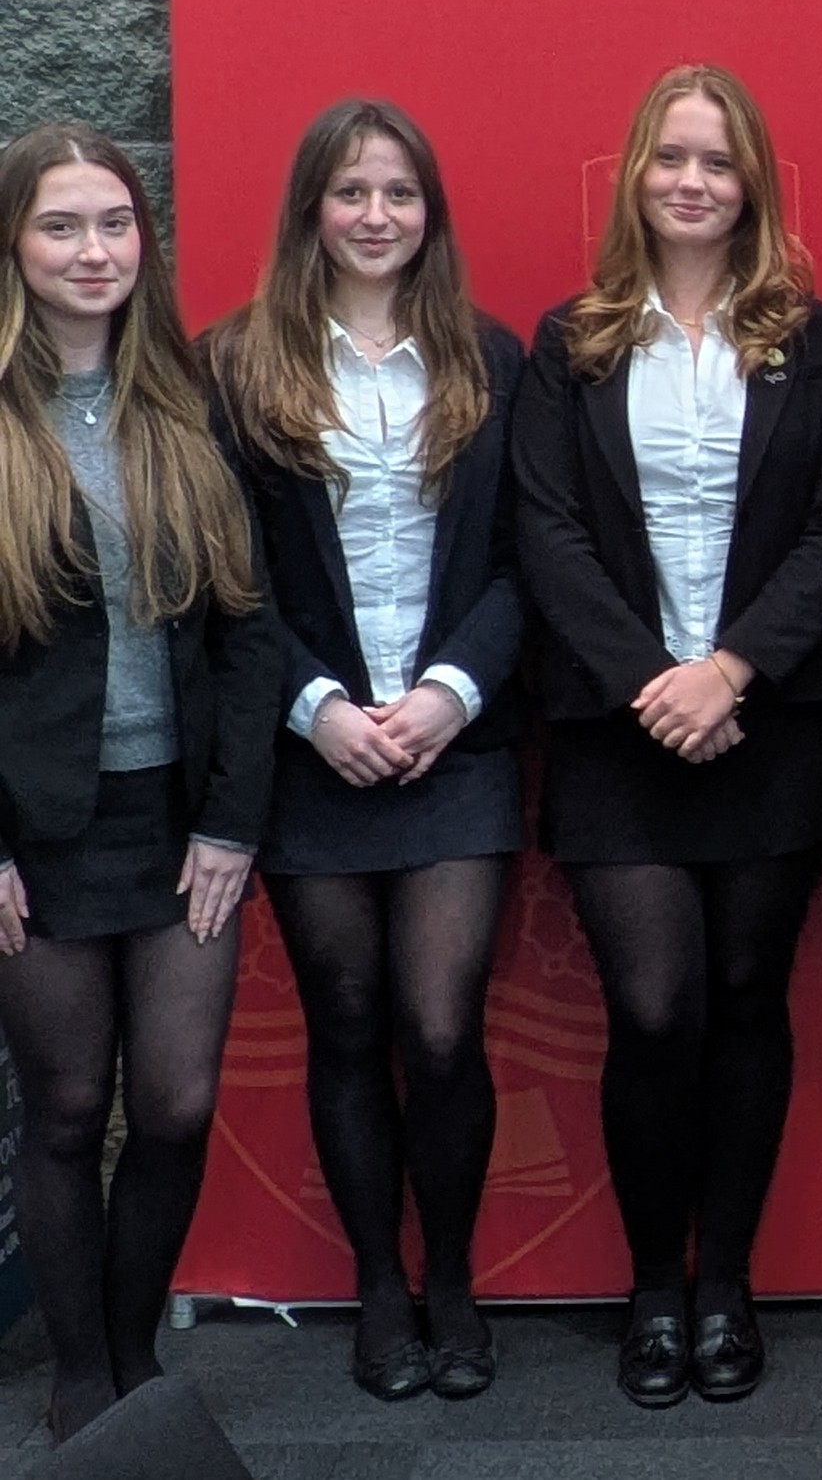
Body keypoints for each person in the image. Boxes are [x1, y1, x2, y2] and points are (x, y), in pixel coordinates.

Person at [512, 65, 822, 1409]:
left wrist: (730, 668)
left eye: (718, 161)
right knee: (655, 1008)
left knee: (747, 999)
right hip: (619, 726)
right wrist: (657, 678)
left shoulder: (812, 339)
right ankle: (658, 1283)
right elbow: (543, 527)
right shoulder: (575, 340)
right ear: (637, 177)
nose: (694, 182)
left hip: (769, 719)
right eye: (672, 158)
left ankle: (730, 1288)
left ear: (752, 182)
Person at [205, 99, 524, 1403]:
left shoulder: (492, 360)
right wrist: (319, 707)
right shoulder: (231, 367)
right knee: (345, 1019)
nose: (377, 215)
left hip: (459, 741)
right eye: (351, 192)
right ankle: (379, 1291)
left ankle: (448, 1276)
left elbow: (524, 564)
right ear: (311, 212)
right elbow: (229, 579)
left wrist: (447, 693)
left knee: (441, 1027)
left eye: (399, 192)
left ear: (430, 213)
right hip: (309, 745)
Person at [0, 124, 280, 1441]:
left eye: (115, 223)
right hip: (35, 828)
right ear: (16, 244)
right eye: (63, 225)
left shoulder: (191, 399)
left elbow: (249, 625)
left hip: (179, 824)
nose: (94, 250)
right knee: (64, 1107)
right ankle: (79, 1378)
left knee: (172, 1099)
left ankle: (130, 1348)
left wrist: (234, 816)